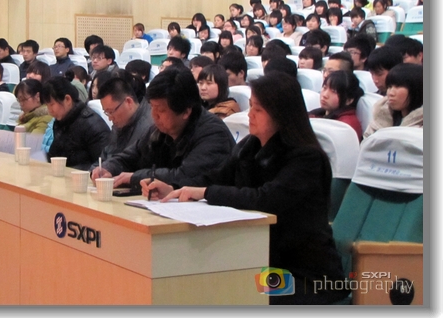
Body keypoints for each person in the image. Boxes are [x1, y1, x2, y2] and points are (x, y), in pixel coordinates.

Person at [142, 72, 348, 305]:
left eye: (258, 109)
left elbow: (264, 199)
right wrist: (174, 188)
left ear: (281, 114)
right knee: (198, 282)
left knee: (231, 291)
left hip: (306, 276)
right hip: (258, 261)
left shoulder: (306, 159)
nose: (250, 114)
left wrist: (206, 193)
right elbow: (215, 178)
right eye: (251, 106)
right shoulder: (250, 146)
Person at [91, 67, 235, 189]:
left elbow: (185, 177)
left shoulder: (214, 134)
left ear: (186, 111)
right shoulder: (159, 131)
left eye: (160, 110)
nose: (154, 115)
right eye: (152, 107)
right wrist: (109, 168)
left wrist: (134, 177)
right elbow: (131, 156)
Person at [42, 77, 110, 170]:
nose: (50, 111)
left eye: (52, 104)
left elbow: (103, 164)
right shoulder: (61, 121)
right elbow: (55, 154)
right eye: (47, 105)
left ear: (67, 99)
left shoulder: (92, 125)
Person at [88, 75, 153, 172]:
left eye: (111, 111)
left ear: (128, 102)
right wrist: (95, 171)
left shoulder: (150, 126)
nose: (110, 118)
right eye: (106, 112)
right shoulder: (118, 125)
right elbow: (105, 156)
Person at [363, 63, 423, 138]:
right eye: (389, 87)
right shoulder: (380, 117)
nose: (391, 93)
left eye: (398, 86)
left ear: (416, 89)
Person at [309, 71, 365, 140]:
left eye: (334, 92)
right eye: (324, 88)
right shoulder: (317, 114)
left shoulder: (346, 126)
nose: (325, 95)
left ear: (349, 100)